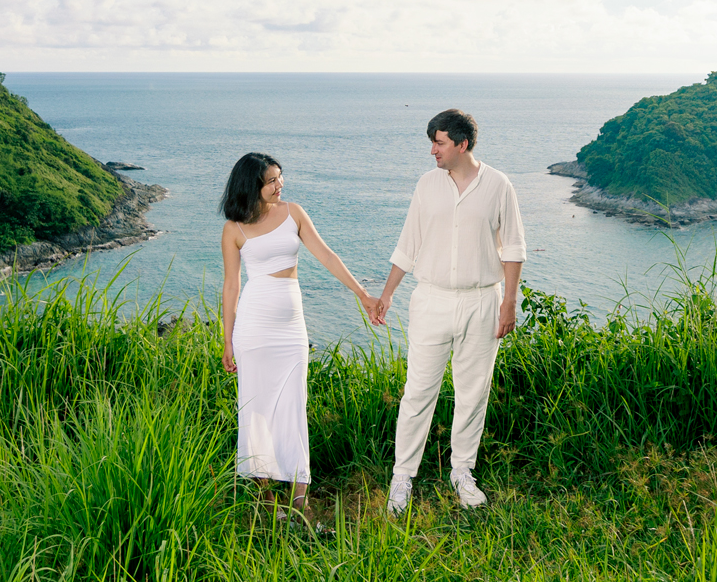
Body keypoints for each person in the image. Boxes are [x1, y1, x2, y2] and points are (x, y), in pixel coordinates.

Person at [371, 108, 527, 513]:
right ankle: (402, 476)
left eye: (439, 143)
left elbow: (512, 247)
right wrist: (387, 294)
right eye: (432, 143)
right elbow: (410, 242)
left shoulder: (498, 185)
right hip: (432, 299)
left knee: (473, 392)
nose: (432, 151)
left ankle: (462, 472)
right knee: (418, 391)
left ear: (462, 144)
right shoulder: (427, 185)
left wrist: (509, 302)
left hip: (482, 301)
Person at [219, 151, 377, 504]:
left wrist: (362, 294)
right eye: (271, 181)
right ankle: (264, 495)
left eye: (280, 177)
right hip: (254, 328)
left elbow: (327, 256)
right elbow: (232, 285)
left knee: (293, 406)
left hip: (291, 330)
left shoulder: (293, 212)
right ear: (252, 185)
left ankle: (299, 495)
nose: (279, 185)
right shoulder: (234, 229)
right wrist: (227, 340)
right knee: (256, 408)